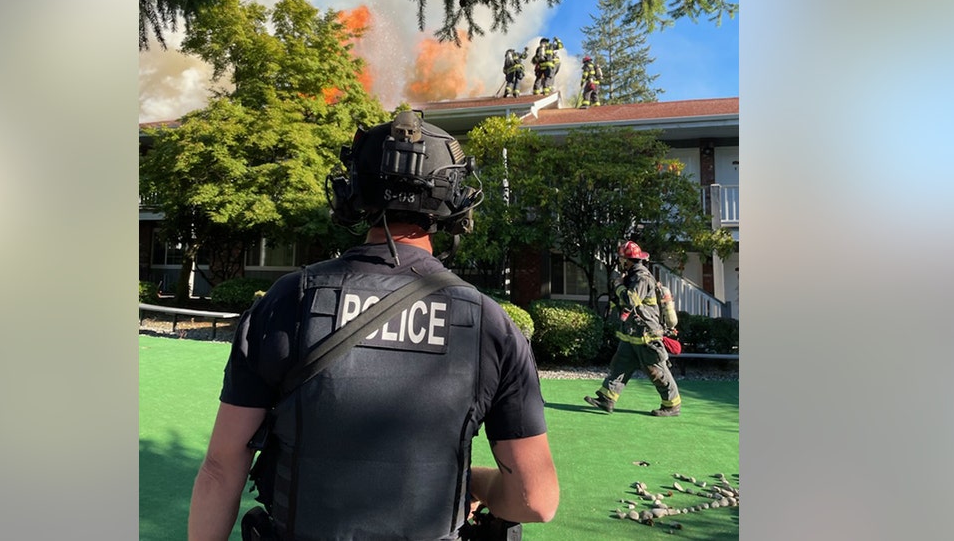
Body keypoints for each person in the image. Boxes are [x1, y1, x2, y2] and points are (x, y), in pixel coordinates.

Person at [188, 110, 560, 541]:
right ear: (452, 199)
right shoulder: (490, 324)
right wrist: (476, 484)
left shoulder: (286, 301)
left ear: (355, 189)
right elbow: (537, 500)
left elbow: (220, 468)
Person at [584, 241, 682, 416]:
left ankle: (672, 405)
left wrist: (618, 285)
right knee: (620, 365)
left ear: (627, 260)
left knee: (657, 371)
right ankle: (607, 399)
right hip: (631, 334)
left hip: (647, 335)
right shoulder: (632, 276)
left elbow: (631, 300)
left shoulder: (642, 278)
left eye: (621, 259)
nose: (620, 262)